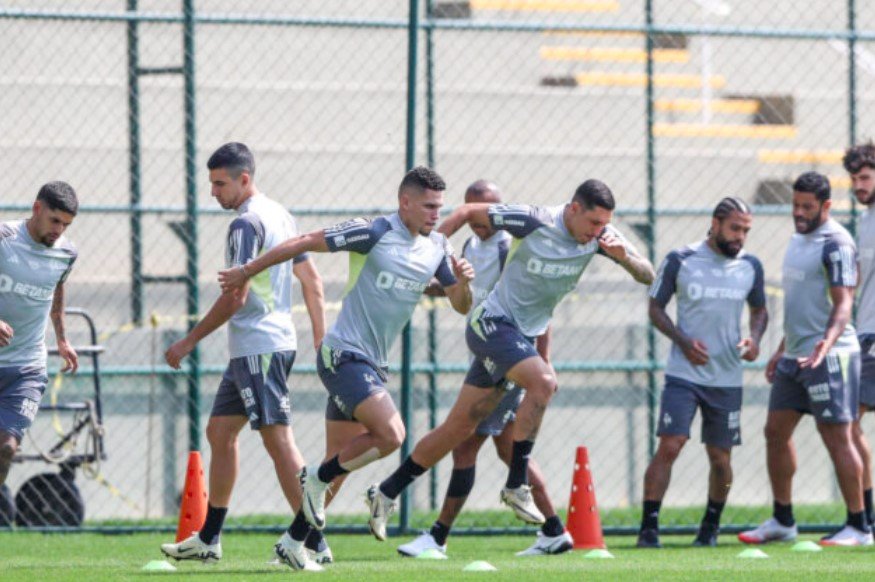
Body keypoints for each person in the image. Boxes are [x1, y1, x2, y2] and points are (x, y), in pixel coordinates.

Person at [368, 179, 655, 543]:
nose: (597, 232)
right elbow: (470, 211)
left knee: (459, 430)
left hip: (519, 340)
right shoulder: (534, 220)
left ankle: (387, 491)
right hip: (492, 324)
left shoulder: (602, 238)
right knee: (543, 384)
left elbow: (649, 274)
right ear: (573, 209)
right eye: (593, 224)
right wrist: (428, 251)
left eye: (603, 225)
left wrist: (624, 258)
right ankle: (517, 486)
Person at [218, 166, 474, 567]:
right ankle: (317, 479)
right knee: (390, 436)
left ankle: (292, 542)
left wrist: (462, 282)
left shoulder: (438, 247)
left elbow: (462, 305)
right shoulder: (373, 232)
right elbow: (303, 241)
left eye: (439, 207)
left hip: (373, 362)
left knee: (343, 461)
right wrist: (246, 270)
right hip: (343, 356)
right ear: (404, 202)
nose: (435, 214)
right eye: (427, 206)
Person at [159, 143, 328, 569]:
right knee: (220, 432)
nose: (213, 192)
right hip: (263, 346)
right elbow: (312, 280)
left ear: (244, 179)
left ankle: (312, 541)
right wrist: (317, 338)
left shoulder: (245, 225)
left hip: (259, 346)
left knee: (277, 439)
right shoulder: (280, 214)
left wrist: (188, 341)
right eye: (211, 183)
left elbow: (236, 298)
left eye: (220, 183)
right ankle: (210, 538)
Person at [397, 180, 569, 558]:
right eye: (471, 211)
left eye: (485, 211)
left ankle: (438, 537)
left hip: (512, 359)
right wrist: (417, 284)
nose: (479, 220)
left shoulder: (511, 247)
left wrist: (543, 363)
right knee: (508, 450)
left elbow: (538, 308)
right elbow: (459, 289)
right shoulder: (472, 246)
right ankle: (554, 530)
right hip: (492, 353)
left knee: (464, 445)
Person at [739, 171, 873, 547]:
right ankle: (783, 520)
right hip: (795, 357)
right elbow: (803, 305)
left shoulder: (836, 243)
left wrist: (825, 344)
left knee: (837, 437)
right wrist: (782, 349)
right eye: (795, 205)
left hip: (830, 356)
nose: (798, 212)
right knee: (775, 433)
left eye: (807, 207)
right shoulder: (799, 238)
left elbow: (844, 303)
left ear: (826, 206)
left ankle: (859, 526)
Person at [636, 198, 768, 549]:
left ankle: (710, 527)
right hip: (684, 374)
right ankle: (648, 529)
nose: (740, 236)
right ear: (716, 223)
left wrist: (754, 340)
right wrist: (681, 340)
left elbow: (760, 311)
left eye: (745, 231)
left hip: (727, 378)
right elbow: (655, 307)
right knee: (671, 444)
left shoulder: (750, 266)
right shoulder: (681, 259)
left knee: (721, 458)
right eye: (735, 228)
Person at [0, 182, 79, 487]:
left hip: (26, 367)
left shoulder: (67, 254)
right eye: (55, 220)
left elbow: (57, 288)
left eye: (66, 224)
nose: (59, 230)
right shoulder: (5, 239)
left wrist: (61, 337)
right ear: (37, 209)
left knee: (6, 447)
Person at [843, 142, 875, 530]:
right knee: (849, 425)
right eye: (853, 178)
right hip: (863, 334)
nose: (857, 184)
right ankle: (866, 518)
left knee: (849, 424)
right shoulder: (865, 219)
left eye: (865, 177)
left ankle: (864, 520)